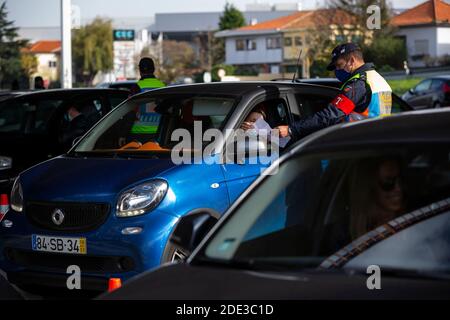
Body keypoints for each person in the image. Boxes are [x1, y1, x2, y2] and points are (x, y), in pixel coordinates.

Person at [276, 43, 392, 140]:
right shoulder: (377, 79)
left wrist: (291, 129)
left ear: (352, 61)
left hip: (360, 143)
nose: (337, 70)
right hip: (379, 139)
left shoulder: (358, 85)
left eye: (339, 65)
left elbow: (330, 116)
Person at [349, 157, 406, 239]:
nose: (398, 188)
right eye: (388, 181)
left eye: (400, 180)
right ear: (370, 186)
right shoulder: (344, 235)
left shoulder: (414, 218)